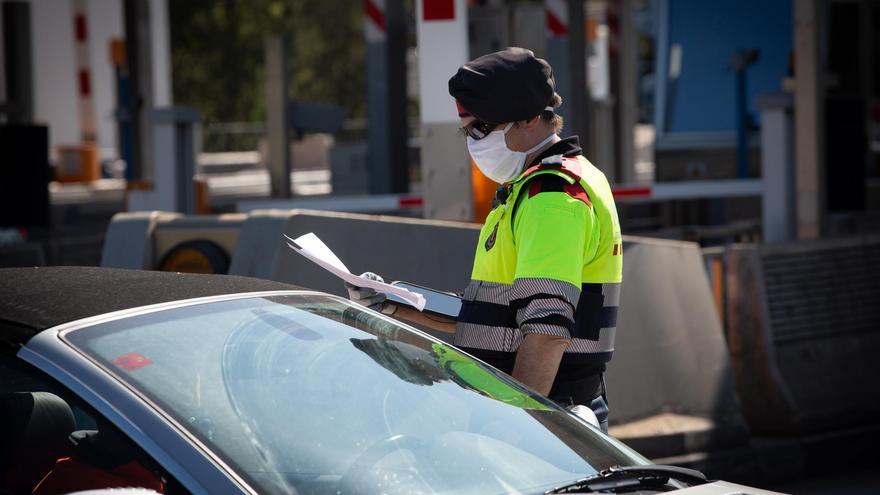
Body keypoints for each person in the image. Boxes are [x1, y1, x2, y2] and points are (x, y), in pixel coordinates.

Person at [346, 47, 622, 432]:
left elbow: (545, 333)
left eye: (481, 128)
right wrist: (396, 303)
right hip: (544, 404)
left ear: (528, 117)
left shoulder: (552, 198)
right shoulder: (535, 186)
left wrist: (514, 428)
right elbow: (497, 315)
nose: (473, 142)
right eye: (467, 130)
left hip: (544, 412)